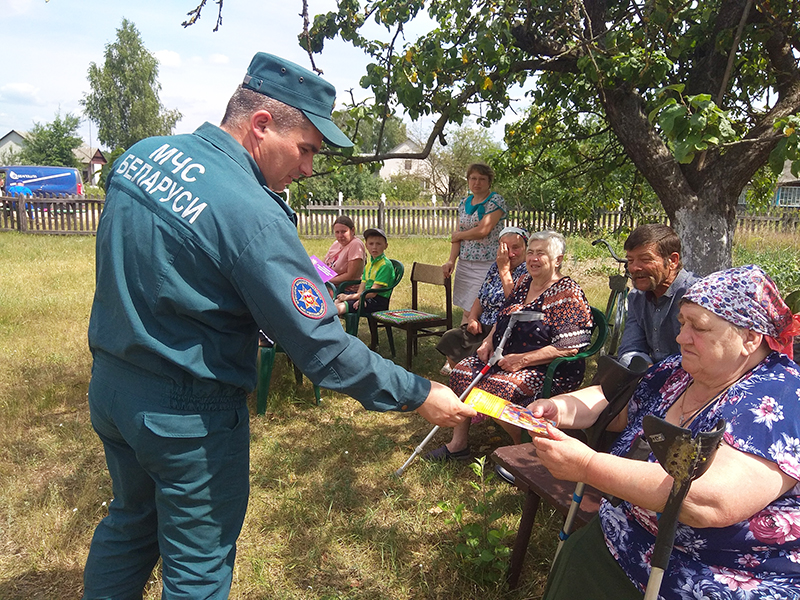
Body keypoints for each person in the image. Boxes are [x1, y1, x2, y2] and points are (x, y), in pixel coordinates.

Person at [82, 52, 474, 600]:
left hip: (112, 388)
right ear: (262, 126)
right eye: (308, 148)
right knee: (197, 567)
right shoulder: (252, 213)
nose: (310, 167)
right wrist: (418, 391)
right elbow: (324, 349)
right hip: (186, 414)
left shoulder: (142, 156)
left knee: (129, 525)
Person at [530, 264, 800, 599]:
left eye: (698, 327)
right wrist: (560, 408)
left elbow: (710, 501)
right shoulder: (682, 369)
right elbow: (615, 402)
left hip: (707, 573)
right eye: (683, 322)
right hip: (625, 536)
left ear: (749, 338)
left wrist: (587, 467)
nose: (681, 336)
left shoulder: (780, 399)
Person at [425, 230, 593, 461]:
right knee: (463, 371)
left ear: (558, 260)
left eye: (541, 253)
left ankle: (522, 451)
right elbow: (505, 317)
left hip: (546, 367)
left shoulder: (567, 293)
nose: (533, 258)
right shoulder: (524, 283)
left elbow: (570, 347)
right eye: (531, 252)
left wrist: (523, 360)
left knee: (497, 389)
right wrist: (488, 341)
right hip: (505, 359)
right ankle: (458, 445)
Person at [436, 226, 529, 376]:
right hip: (482, 325)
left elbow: (514, 302)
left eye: (516, 247)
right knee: (451, 338)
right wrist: (472, 318)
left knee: (478, 351)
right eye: (505, 248)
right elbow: (481, 296)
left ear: (526, 247)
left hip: (501, 330)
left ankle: (472, 380)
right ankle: (461, 378)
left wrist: (504, 270)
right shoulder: (495, 267)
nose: (510, 254)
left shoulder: (526, 271)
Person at [616, 223, 697, 368]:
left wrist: (655, 375)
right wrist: (644, 369)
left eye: (645, 259)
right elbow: (631, 349)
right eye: (630, 260)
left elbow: (698, 359)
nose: (634, 268)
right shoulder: (637, 297)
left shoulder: (696, 296)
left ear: (672, 261)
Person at [441, 163, 507, 317]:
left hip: (486, 263)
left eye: (482, 179)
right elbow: (456, 236)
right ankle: (466, 339)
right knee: (466, 308)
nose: (477, 183)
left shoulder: (495, 201)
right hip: (465, 262)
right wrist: (451, 260)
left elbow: (483, 230)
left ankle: (479, 339)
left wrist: (460, 235)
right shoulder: (464, 203)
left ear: (489, 181)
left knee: (479, 308)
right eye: (473, 178)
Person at [334, 227, 394, 316]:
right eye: (371, 244)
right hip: (366, 297)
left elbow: (373, 293)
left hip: (377, 302)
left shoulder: (385, 265)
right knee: (336, 302)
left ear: (385, 246)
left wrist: (348, 297)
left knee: (339, 308)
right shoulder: (369, 266)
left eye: (378, 244)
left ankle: (332, 328)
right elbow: (362, 287)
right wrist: (359, 299)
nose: (374, 247)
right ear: (366, 246)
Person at [323, 215, 366, 290]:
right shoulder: (336, 243)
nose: (340, 236)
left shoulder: (355, 244)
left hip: (343, 289)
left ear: (352, 230)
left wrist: (328, 280)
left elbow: (351, 276)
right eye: (337, 232)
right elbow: (323, 265)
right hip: (329, 285)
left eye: (343, 232)